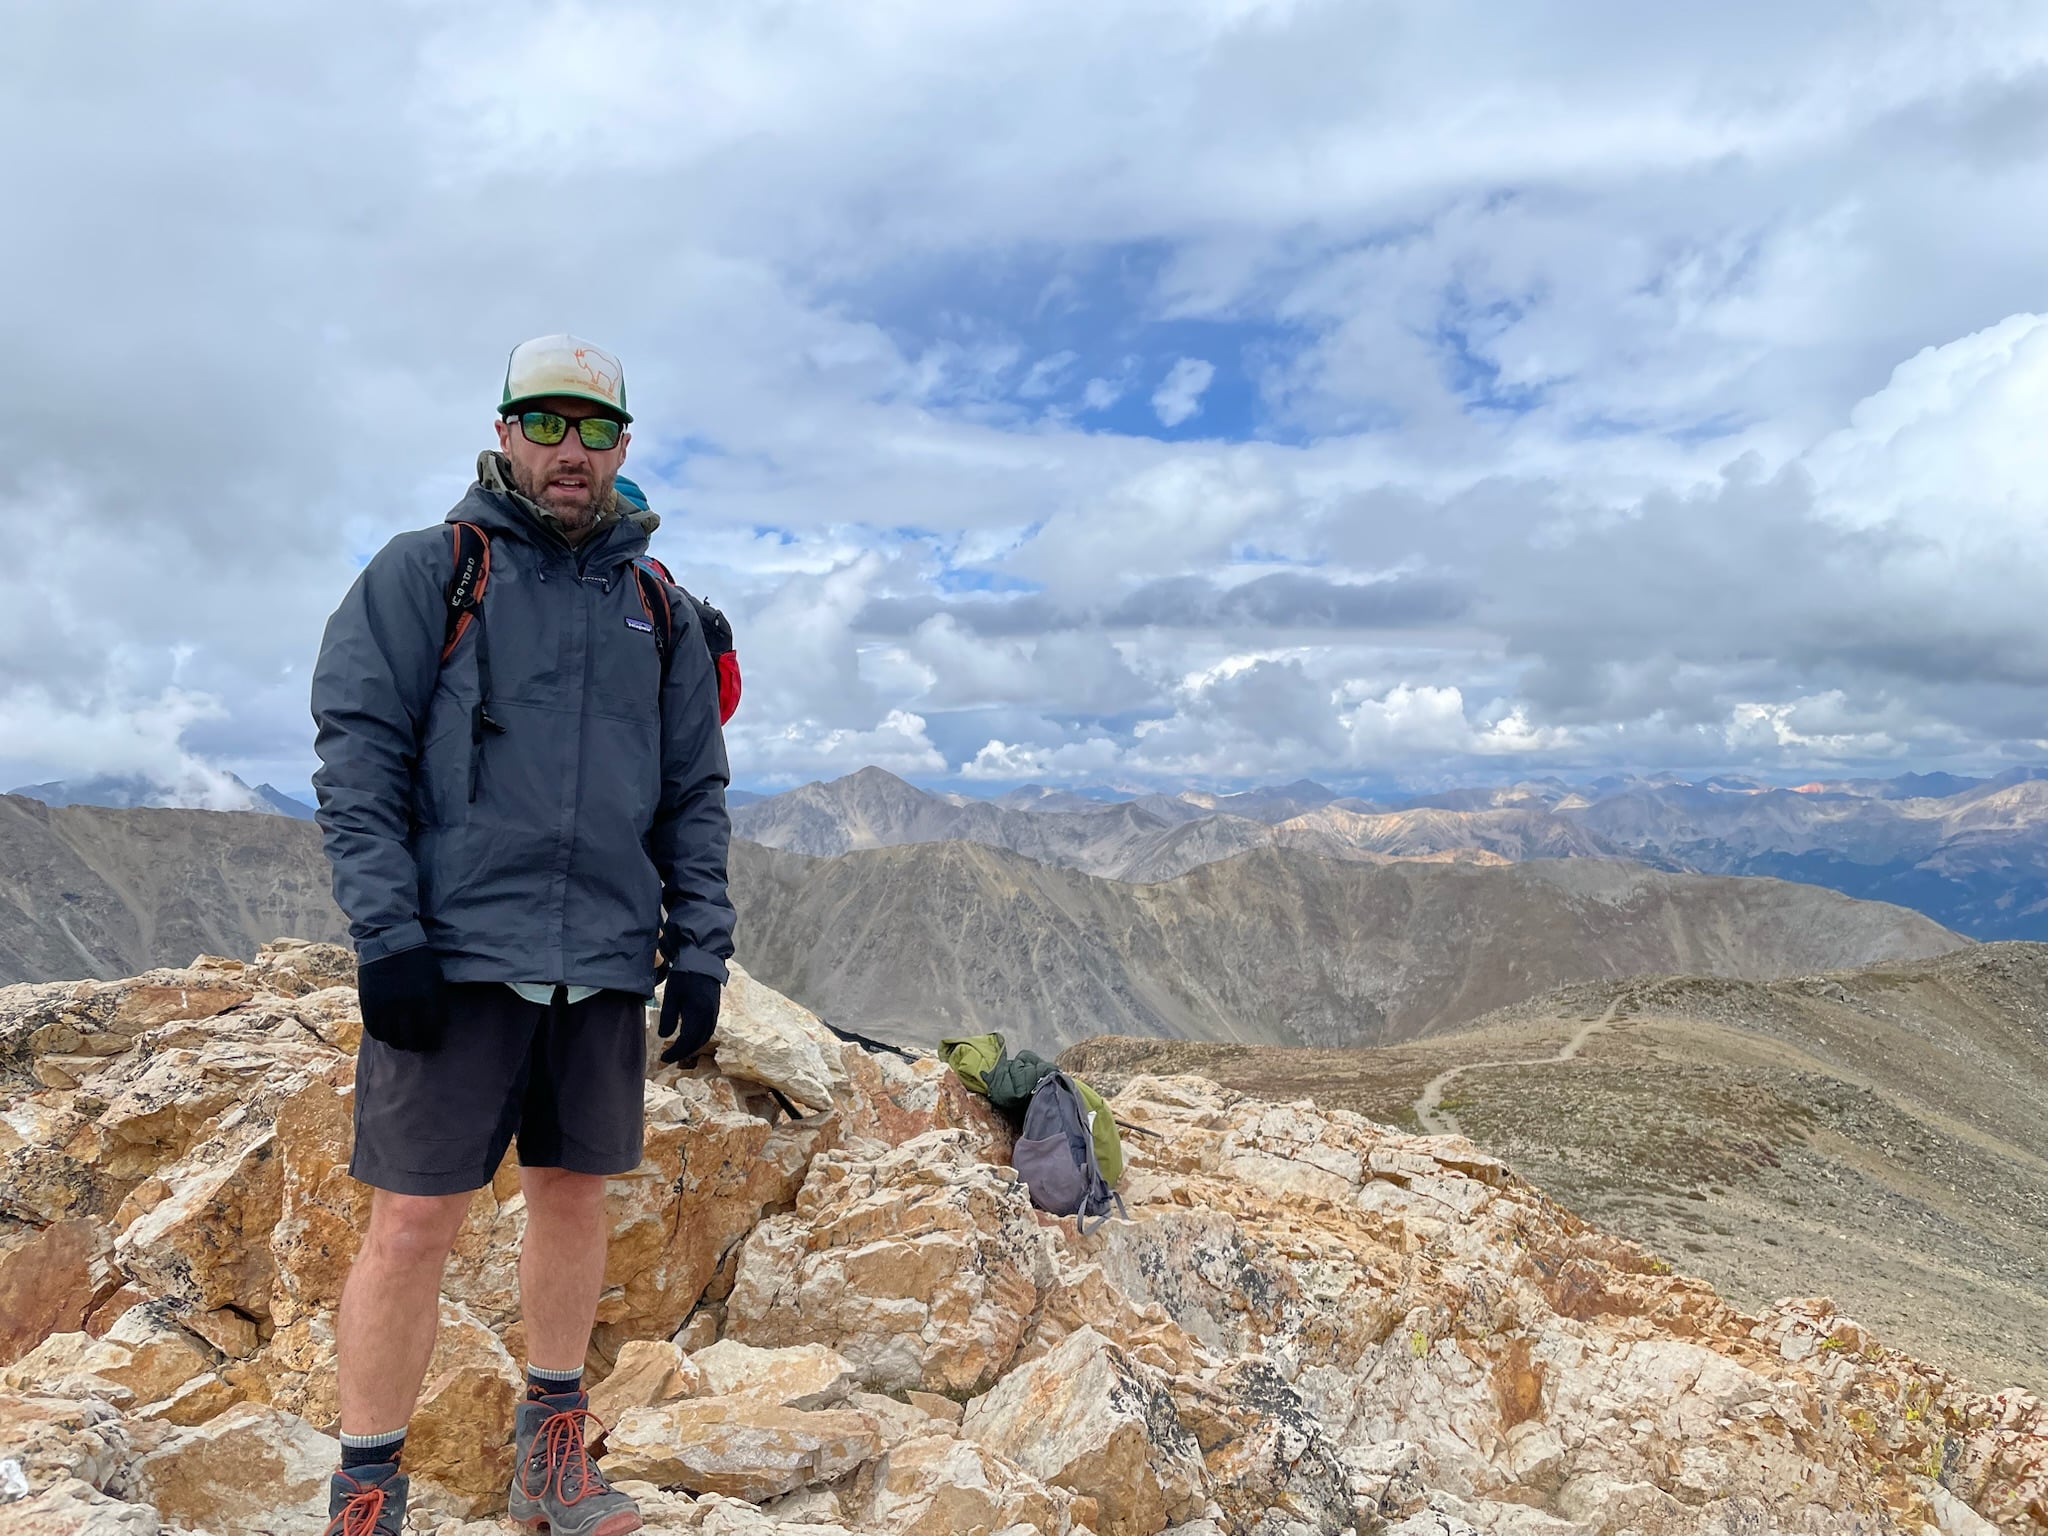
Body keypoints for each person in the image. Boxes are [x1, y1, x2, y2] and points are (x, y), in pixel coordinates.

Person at [309, 334, 735, 1536]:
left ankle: (552, 1458)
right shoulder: (430, 571)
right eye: (544, 423)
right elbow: (357, 761)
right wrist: (387, 937)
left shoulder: (660, 609)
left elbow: (694, 791)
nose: (569, 450)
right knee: (411, 1223)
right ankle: (366, 1496)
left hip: (600, 954)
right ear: (503, 432)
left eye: (593, 428)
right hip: (456, 955)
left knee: (573, 1199)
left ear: (623, 444)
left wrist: (700, 944)